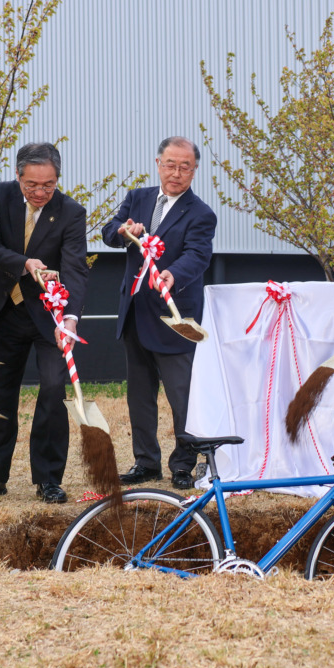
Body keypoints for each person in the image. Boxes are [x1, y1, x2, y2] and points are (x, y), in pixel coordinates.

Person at [0, 142, 88, 505]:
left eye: (48, 185)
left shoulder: (71, 212)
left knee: (52, 389)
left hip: (50, 316)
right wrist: (24, 263)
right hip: (7, 309)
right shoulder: (1, 196)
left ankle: (48, 479)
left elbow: (76, 269)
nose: (39, 192)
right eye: (31, 184)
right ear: (18, 176)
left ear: (57, 179)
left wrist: (70, 319)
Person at [101, 137, 217, 490]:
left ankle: (183, 464)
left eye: (185, 167)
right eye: (170, 165)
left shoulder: (201, 213)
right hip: (135, 312)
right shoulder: (138, 198)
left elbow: (198, 256)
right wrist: (124, 231)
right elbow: (109, 232)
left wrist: (173, 274)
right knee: (139, 396)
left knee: (182, 397)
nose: (176, 173)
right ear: (158, 163)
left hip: (173, 316)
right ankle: (145, 462)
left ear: (194, 171)